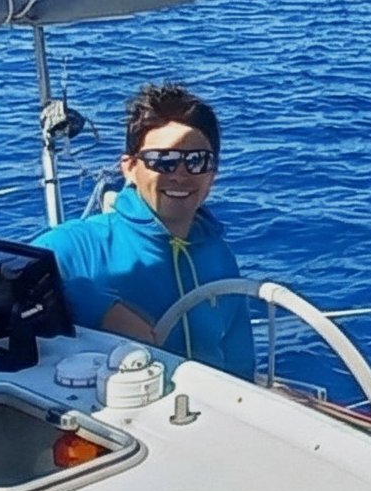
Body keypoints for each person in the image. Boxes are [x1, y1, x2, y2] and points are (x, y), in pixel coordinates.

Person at [36, 82, 256, 379]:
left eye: (197, 161)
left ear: (213, 172)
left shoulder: (220, 256)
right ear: (129, 168)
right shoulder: (83, 243)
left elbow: (241, 368)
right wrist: (99, 307)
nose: (180, 175)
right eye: (162, 161)